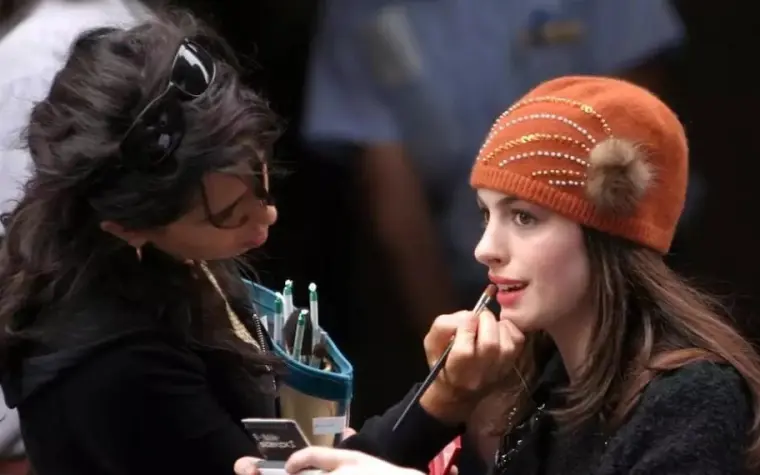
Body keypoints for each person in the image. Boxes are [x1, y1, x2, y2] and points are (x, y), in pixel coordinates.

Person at [266, 76, 760, 475]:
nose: (485, 249)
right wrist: (449, 397)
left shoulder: (692, 395)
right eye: (486, 215)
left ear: (607, 237)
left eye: (524, 217)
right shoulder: (545, 387)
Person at [0, 11, 287, 475]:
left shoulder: (169, 256)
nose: (266, 216)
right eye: (229, 215)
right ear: (127, 227)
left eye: (261, 180)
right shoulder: (125, 366)